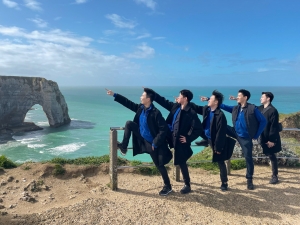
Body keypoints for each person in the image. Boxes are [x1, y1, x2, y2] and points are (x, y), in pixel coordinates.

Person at [106, 88, 173, 196]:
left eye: (142, 96)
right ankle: (124, 147)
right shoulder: (141, 108)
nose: (140, 97)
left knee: (159, 165)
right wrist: (114, 95)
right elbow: (128, 103)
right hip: (142, 137)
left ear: (148, 99)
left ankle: (168, 186)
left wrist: (155, 143)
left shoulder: (156, 113)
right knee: (129, 123)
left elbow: (163, 129)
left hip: (152, 143)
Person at [201, 89, 267, 190]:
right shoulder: (235, 108)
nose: (237, 97)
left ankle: (249, 179)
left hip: (245, 137)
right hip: (234, 132)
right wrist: (208, 99)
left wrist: (256, 134)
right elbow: (222, 106)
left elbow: (263, 121)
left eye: (239, 95)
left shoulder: (252, 108)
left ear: (245, 97)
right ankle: (209, 139)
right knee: (220, 126)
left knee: (248, 158)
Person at [148, 88, 203, 194]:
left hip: (180, 141)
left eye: (180, 96)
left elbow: (198, 128)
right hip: (170, 137)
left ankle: (187, 185)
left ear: (185, 98)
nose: (178, 97)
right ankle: (164, 171)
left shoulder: (191, 112)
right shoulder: (175, 106)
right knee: (162, 149)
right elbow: (163, 101)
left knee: (182, 162)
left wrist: (188, 138)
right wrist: (152, 93)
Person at [231, 92, 282, 184]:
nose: (260, 98)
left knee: (271, 155)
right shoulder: (260, 108)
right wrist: (237, 99)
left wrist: (272, 140)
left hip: (268, 137)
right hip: (260, 136)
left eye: (262, 97)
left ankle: (275, 176)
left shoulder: (273, 111)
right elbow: (248, 106)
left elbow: (274, 127)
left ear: (268, 98)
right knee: (268, 154)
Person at [194, 90, 235, 191]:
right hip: (208, 137)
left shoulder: (220, 115)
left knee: (220, 162)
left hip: (216, 141)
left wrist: (218, 147)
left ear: (216, 102)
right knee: (195, 126)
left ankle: (224, 183)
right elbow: (196, 108)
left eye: (210, 99)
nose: (208, 100)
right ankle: (206, 141)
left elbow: (220, 133)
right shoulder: (207, 110)